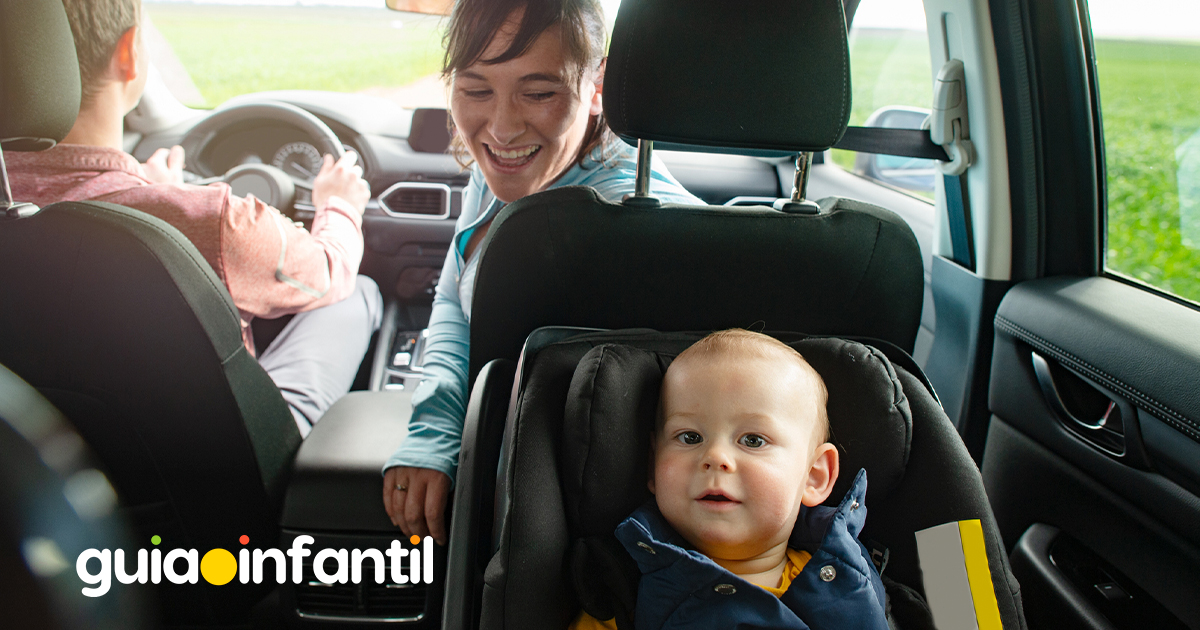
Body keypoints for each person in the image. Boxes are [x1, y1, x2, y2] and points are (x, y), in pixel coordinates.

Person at [382, 0, 702, 544]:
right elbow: (456, 299)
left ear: (596, 85)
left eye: (540, 93)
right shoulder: (504, 169)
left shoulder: (633, 227)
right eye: (476, 89)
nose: (501, 128)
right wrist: (434, 429)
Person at [7, 0, 382, 437]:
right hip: (215, 482)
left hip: (32, 477)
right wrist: (340, 204)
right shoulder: (206, 220)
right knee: (359, 292)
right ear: (127, 53)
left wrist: (156, 194)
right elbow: (329, 271)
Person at [571, 330, 888, 630]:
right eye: (690, 436)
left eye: (753, 440)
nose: (715, 457)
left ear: (813, 476)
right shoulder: (622, 589)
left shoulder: (854, 567)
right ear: (653, 464)